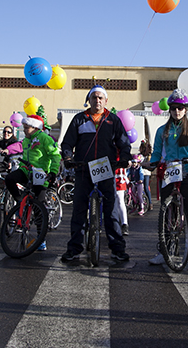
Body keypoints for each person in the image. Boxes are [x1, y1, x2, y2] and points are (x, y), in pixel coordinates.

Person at [60, 85, 132, 263]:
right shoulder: (79, 119)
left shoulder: (113, 120)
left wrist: (124, 158)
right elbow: (67, 143)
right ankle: (74, 248)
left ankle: (117, 248)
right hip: (83, 169)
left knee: (111, 210)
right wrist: (68, 157)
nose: (97, 101)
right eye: (94, 97)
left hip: (105, 170)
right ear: (89, 100)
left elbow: (124, 143)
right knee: (78, 210)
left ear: (106, 101)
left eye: (101, 98)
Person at [148, 89, 188, 268]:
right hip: (168, 171)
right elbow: (157, 150)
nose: (177, 111)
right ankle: (163, 251)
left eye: (180, 108)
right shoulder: (161, 130)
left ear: (185, 109)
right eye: (174, 108)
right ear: (170, 110)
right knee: (165, 214)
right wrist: (153, 162)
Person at [2, 114, 61, 251]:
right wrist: (7, 150)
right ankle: (20, 200)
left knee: (38, 208)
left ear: (35, 127)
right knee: (10, 179)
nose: (24, 130)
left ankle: (41, 239)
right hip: (26, 171)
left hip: (40, 174)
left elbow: (55, 155)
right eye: (23, 127)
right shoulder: (27, 140)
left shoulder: (44, 138)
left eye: (26, 128)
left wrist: (52, 172)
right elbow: (18, 146)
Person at [115, 165, 129, 235]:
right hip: (109, 177)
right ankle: (115, 223)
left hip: (119, 179)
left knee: (120, 201)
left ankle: (124, 224)